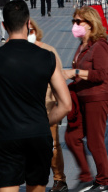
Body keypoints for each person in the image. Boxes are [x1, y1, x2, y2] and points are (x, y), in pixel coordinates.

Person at [0, 0, 71, 191]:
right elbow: (66, 104)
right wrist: (46, 121)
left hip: (7, 135)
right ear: (29, 23)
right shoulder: (47, 56)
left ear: (4, 25)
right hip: (38, 133)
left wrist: (3, 100)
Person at [64, 7, 108, 192]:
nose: (75, 25)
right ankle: (86, 177)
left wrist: (74, 72)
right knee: (72, 136)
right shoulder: (83, 45)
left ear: (90, 24)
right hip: (81, 98)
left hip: (96, 98)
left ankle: (104, 180)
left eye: (78, 22)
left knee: (94, 141)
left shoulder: (99, 45)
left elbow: (102, 74)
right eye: (73, 21)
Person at [28, 19, 68, 192]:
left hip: (47, 106)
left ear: (36, 31)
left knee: (53, 146)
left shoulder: (48, 50)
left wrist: (59, 103)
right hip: (25, 110)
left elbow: (59, 79)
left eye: (31, 30)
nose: (29, 33)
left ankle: (59, 179)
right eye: (25, 30)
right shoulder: (15, 51)